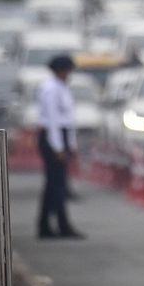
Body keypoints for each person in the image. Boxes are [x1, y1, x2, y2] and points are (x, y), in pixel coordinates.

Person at [37, 54, 82, 238]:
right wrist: (58, 147)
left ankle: (45, 225)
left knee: (53, 185)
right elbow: (53, 121)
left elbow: (68, 120)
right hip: (52, 138)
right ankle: (62, 225)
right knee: (57, 186)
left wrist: (70, 143)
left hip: (60, 138)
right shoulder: (51, 90)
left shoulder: (62, 89)